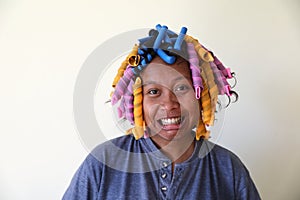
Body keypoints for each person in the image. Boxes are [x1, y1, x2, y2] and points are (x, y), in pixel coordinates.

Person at [63, 24, 261, 199]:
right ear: (136, 100)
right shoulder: (102, 164)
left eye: (182, 88)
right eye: (154, 91)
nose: (169, 104)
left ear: (203, 95)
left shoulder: (228, 169)